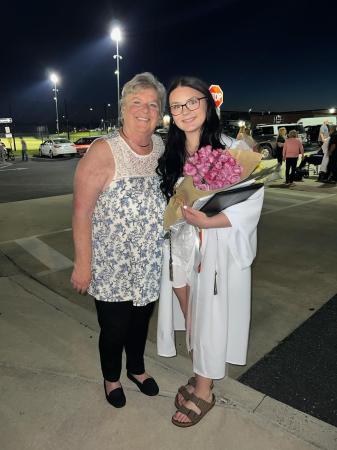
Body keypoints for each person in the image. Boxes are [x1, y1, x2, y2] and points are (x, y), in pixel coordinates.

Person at [156, 76, 264, 427]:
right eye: (176, 105)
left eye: (192, 102)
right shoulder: (171, 151)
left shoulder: (232, 149)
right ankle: (200, 368)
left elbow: (250, 202)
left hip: (212, 247)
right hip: (180, 247)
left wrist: (207, 223)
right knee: (190, 315)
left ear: (208, 103)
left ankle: (204, 388)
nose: (185, 111)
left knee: (209, 314)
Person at [71, 72, 166, 408]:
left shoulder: (161, 149)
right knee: (114, 328)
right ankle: (111, 377)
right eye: (137, 102)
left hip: (149, 261)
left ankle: (136, 369)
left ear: (160, 112)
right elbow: (81, 212)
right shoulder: (102, 151)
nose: (145, 109)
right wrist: (83, 264)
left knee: (141, 322)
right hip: (111, 264)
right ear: (124, 108)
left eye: (153, 104)